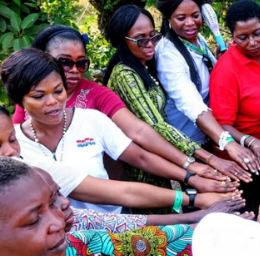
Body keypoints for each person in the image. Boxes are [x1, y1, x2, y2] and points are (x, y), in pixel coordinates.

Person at [11, 25, 239, 199]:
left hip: (110, 191)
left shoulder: (96, 95)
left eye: (81, 64)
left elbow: (139, 132)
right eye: (65, 63)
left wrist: (191, 167)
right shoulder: (31, 101)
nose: (74, 71)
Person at [103, 5, 252, 188]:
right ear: (121, 40)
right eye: (140, 40)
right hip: (143, 168)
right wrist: (209, 158)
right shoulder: (125, 74)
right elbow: (157, 125)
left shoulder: (143, 64)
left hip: (161, 157)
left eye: (153, 36)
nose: (150, 44)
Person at [0, 105, 242, 216]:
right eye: (39, 95)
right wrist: (194, 202)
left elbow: (135, 164)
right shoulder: (31, 166)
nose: (9, 151)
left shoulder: (30, 168)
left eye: (11, 140)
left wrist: (193, 184)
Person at [0, 156, 197, 256]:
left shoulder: (81, 245)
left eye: (52, 203)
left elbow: (168, 240)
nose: (58, 223)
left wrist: (214, 223)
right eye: (34, 220)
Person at [156, 0, 260, 173]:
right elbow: (191, 103)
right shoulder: (168, 54)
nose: (190, 23)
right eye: (181, 18)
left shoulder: (196, 39)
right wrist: (227, 142)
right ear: (169, 18)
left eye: (195, 16)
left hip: (211, 134)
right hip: (189, 143)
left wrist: (217, 62)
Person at [209, 0, 260, 213]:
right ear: (232, 37)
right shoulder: (226, 70)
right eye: (243, 37)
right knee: (246, 214)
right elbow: (222, 125)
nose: (253, 42)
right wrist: (250, 142)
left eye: (257, 33)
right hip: (241, 161)